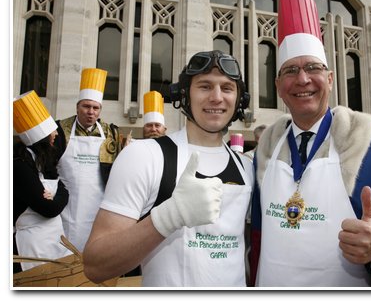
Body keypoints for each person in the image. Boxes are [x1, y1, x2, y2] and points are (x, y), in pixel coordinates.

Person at [249, 0, 371, 287]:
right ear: (279, 86)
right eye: (290, 71)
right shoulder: (266, 150)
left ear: (330, 79)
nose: (303, 79)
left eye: (312, 67)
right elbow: (256, 234)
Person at [83, 50, 254, 287]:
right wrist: (167, 218)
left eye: (227, 88)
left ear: (240, 100)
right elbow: (95, 265)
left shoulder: (247, 168)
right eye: (204, 86)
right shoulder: (144, 156)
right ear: (183, 95)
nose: (216, 97)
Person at [54, 68, 121, 252]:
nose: (90, 112)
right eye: (86, 106)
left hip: (99, 205)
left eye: (95, 107)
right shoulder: (60, 129)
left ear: (100, 110)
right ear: (77, 107)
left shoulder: (110, 132)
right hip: (67, 206)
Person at [13, 90, 70, 271]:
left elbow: (64, 189)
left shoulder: (43, 161)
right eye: (52, 130)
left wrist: (56, 196)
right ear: (41, 137)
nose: (55, 134)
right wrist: (56, 198)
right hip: (31, 243)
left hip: (54, 239)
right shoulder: (20, 166)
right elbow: (49, 209)